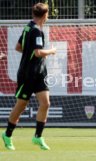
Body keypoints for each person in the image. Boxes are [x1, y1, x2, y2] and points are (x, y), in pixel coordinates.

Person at [2, 3, 56, 150]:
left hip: (39, 73)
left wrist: (30, 54)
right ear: (45, 15)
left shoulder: (28, 27)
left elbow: (19, 47)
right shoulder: (36, 31)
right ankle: (7, 135)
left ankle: (38, 137)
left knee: (45, 103)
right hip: (28, 74)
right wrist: (51, 51)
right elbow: (38, 52)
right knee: (21, 105)